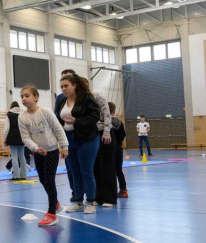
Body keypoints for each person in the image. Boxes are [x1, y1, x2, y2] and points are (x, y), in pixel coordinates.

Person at [17, 85, 68, 226]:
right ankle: (56, 203)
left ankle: (52, 213)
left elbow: (58, 129)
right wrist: (35, 148)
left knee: (50, 180)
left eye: (27, 95)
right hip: (39, 152)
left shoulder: (45, 112)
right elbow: (25, 137)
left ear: (36, 97)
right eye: (22, 96)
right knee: (42, 179)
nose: (24, 98)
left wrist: (64, 147)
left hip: (52, 151)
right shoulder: (22, 117)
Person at [55, 74, 102, 214]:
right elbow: (58, 118)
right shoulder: (61, 100)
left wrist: (77, 121)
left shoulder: (86, 98)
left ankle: (91, 202)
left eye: (66, 86)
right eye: (61, 87)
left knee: (86, 171)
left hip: (87, 139)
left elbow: (95, 116)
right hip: (69, 140)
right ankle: (78, 201)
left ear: (74, 85)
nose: (63, 89)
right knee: (75, 172)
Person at [3, 101, 27, 181]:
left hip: (12, 138)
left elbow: (6, 128)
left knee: (14, 157)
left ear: (11, 107)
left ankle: (16, 176)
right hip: (21, 138)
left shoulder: (9, 115)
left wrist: (4, 139)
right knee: (22, 157)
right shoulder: (23, 114)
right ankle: (23, 175)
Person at [110, 103, 128, 198]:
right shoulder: (119, 122)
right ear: (114, 111)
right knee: (118, 170)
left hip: (109, 149)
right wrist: (118, 143)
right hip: (118, 148)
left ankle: (111, 190)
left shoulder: (104, 122)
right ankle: (123, 189)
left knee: (109, 170)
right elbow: (123, 135)